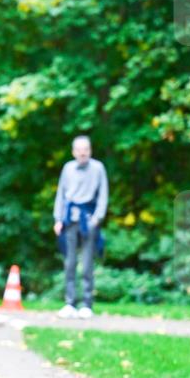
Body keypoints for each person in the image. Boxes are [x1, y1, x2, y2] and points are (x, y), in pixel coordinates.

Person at [52, 136, 108, 320]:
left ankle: (87, 304)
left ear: (90, 150)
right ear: (74, 151)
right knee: (69, 263)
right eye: (79, 149)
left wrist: (97, 219)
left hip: (89, 220)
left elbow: (103, 195)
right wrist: (58, 219)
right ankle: (70, 303)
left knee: (87, 264)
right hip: (69, 220)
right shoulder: (68, 168)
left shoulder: (98, 168)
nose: (83, 152)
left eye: (86, 149)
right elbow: (61, 194)